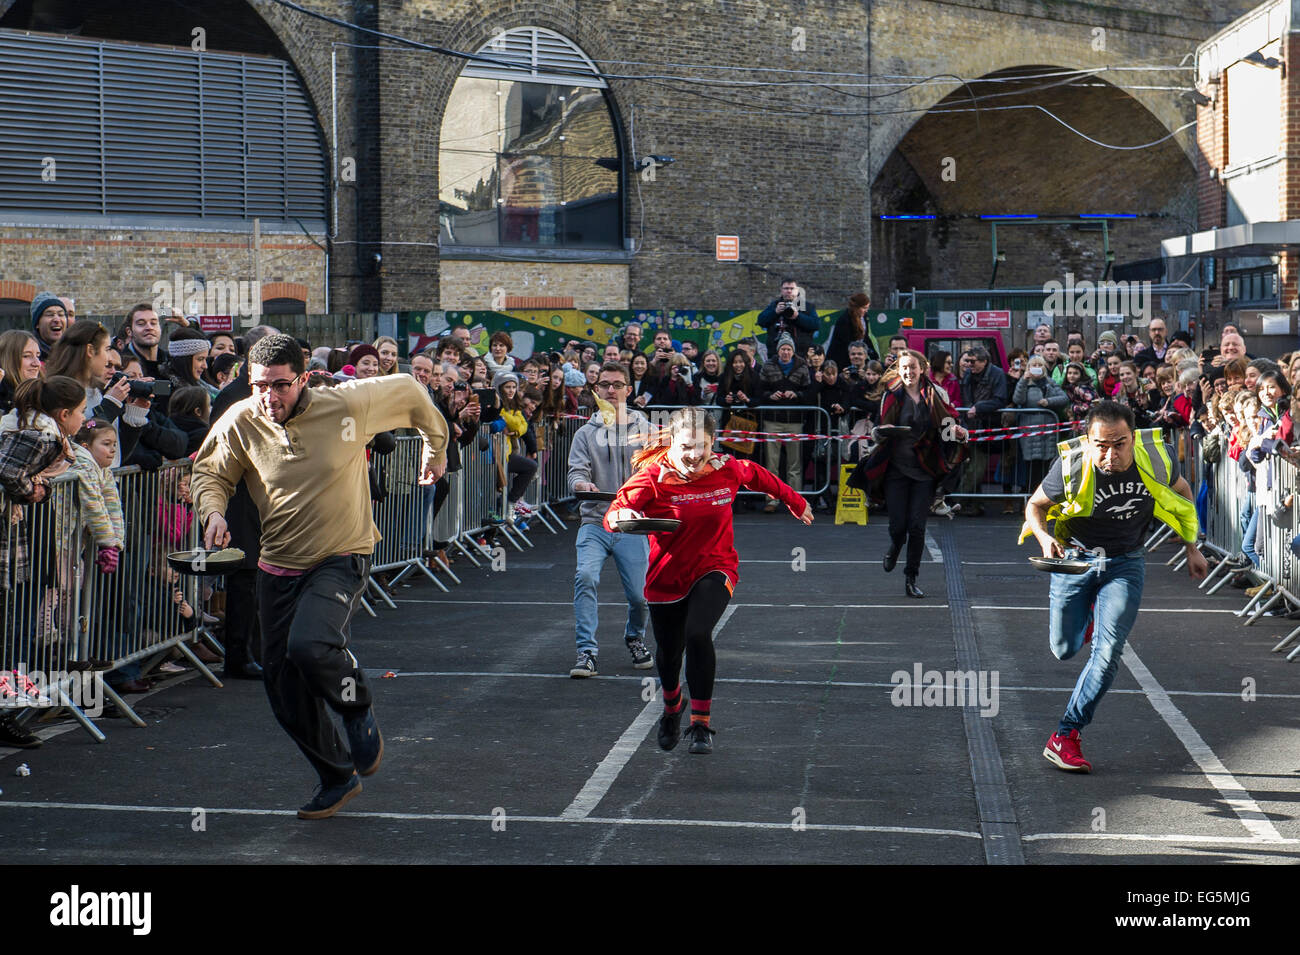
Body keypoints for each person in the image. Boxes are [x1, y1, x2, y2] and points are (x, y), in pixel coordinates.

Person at [192, 334, 449, 820]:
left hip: (341, 553)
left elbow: (415, 395)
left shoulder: (350, 402)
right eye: (259, 386)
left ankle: (356, 706)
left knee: (310, 646)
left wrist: (436, 451)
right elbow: (210, 473)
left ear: (304, 379)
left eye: (281, 386)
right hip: (277, 563)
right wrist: (213, 512)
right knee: (283, 690)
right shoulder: (242, 419)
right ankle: (336, 775)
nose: (270, 398)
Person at [606, 406, 812, 753]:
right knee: (669, 654)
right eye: (686, 446)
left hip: (715, 567)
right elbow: (616, 511)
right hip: (666, 577)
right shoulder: (654, 476)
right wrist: (621, 516)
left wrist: (793, 500)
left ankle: (701, 725)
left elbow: (761, 476)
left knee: (698, 633)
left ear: (712, 443)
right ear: (673, 443)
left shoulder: (727, 468)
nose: (694, 454)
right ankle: (673, 707)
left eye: (701, 445)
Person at [1022, 401, 1206, 772]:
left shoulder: (1155, 459)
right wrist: (1043, 538)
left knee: (1107, 654)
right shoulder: (1072, 464)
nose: (1109, 455)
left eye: (1118, 444)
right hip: (1075, 560)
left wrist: (1192, 547)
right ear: (1088, 441)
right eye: (1101, 445)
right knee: (1063, 649)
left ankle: (1066, 734)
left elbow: (1184, 493)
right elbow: (1035, 505)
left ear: (1133, 438)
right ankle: (1088, 616)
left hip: (1126, 561)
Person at [849, 350, 968, 597]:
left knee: (917, 527)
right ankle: (894, 546)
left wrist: (959, 433)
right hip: (895, 469)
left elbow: (947, 431)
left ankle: (910, 578)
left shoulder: (937, 394)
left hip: (925, 469)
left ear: (922, 368)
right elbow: (877, 433)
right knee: (898, 526)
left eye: (912, 367)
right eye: (904, 368)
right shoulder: (891, 395)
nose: (908, 372)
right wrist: (884, 430)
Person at [567, 362, 656, 678]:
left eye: (617, 384)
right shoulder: (585, 434)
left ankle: (634, 637)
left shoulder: (647, 431)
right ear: (596, 390)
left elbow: (660, 472)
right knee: (586, 577)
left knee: (640, 596)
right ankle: (586, 652)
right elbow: (576, 472)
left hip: (632, 524)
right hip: (594, 521)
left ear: (629, 390)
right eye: (604, 384)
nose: (610, 390)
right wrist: (581, 485)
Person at [757, 333, 811, 512]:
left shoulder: (802, 366)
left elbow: (808, 391)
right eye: (783, 349)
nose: (785, 352)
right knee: (772, 463)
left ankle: (794, 500)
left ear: (793, 351)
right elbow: (760, 390)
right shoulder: (768, 365)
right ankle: (771, 500)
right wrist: (769, 396)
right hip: (772, 420)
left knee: (794, 464)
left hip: (794, 421)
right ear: (778, 350)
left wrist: (797, 395)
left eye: (788, 349)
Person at [757, 278, 818, 354]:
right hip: (776, 352)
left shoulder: (807, 306)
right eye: (786, 288)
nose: (789, 291)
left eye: (792, 288)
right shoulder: (775, 305)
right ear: (781, 290)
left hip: (801, 352)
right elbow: (760, 321)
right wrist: (775, 312)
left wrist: (798, 316)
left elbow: (816, 324)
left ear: (797, 290)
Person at [826, 293, 875, 369]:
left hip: (856, 355)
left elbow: (866, 337)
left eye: (867, 308)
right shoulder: (844, 320)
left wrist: (874, 355)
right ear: (857, 308)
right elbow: (845, 344)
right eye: (864, 308)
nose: (866, 311)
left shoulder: (864, 317)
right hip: (842, 358)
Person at [0, 330, 43, 414]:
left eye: (38, 356)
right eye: (26, 356)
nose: (37, 364)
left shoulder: (46, 394)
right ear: (7, 359)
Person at [30, 291, 68, 362]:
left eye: (61, 314)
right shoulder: (28, 356)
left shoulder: (75, 353)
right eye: (50, 314)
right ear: (37, 324)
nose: (57, 319)